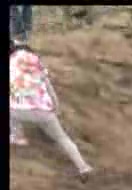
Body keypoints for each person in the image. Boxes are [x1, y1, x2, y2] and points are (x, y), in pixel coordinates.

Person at [10, 40, 94, 182]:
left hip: (17, 110)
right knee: (62, 138)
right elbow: (47, 83)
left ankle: (18, 136)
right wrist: (56, 103)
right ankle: (83, 166)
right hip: (44, 110)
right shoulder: (34, 59)